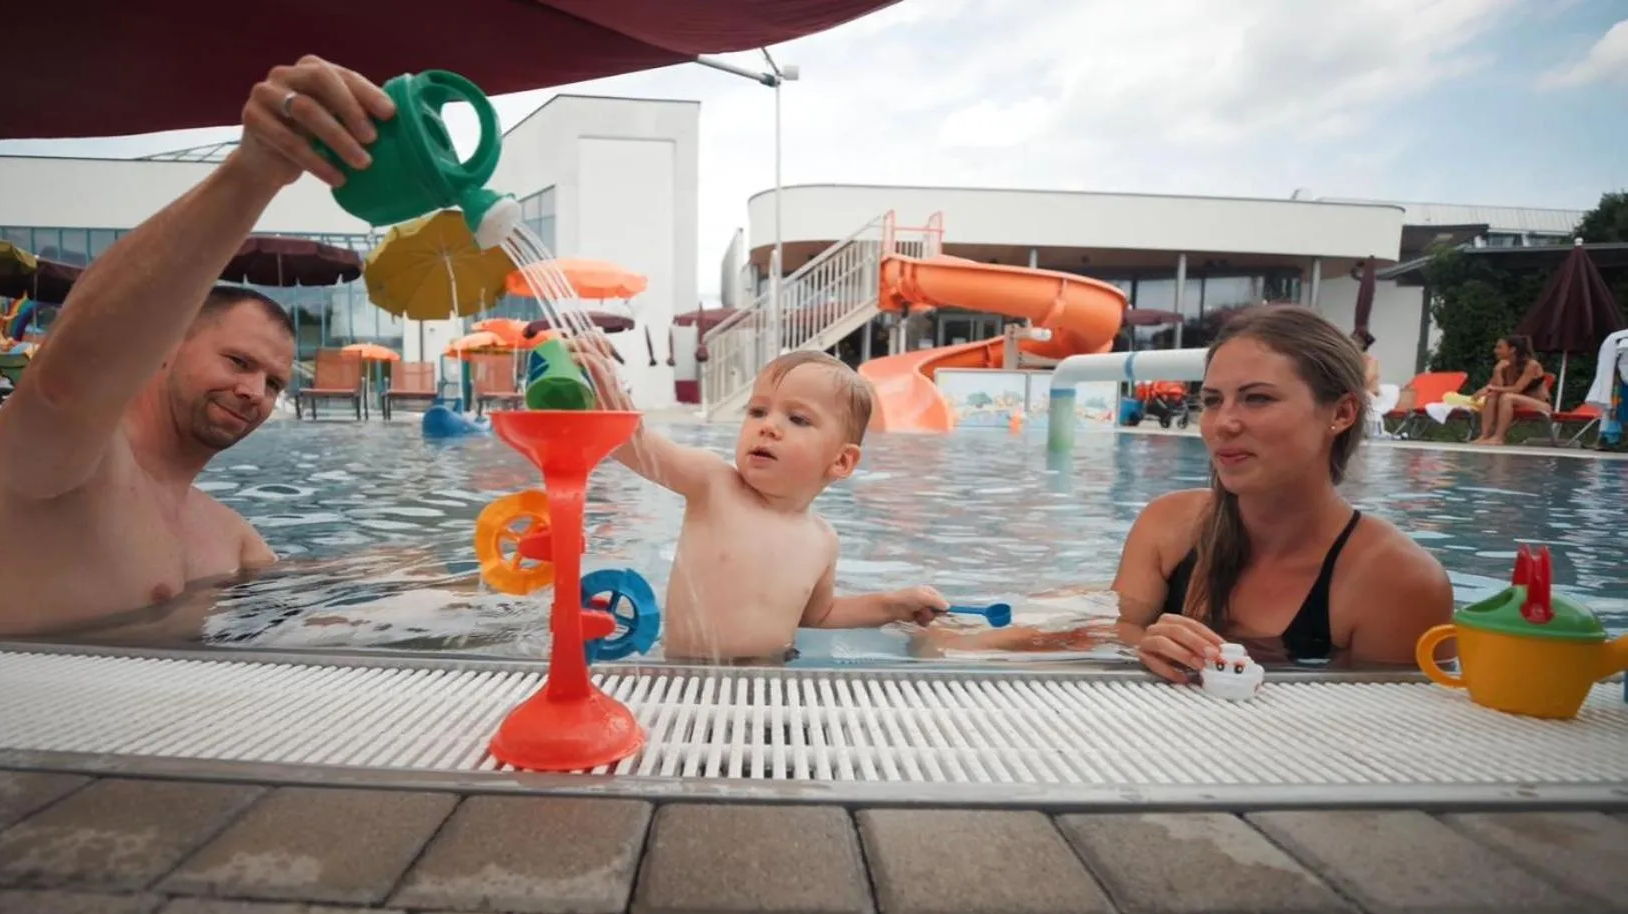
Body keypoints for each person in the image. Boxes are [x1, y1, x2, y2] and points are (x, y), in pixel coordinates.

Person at [0, 55, 395, 636]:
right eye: (238, 361)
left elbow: (306, 612)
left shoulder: (230, 537)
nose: (254, 391)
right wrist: (256, 170)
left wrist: (413, 576)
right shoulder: (61, 464)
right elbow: (72, 374)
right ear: (165, 345)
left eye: (273, 382)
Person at [916, 305, 1454, 681]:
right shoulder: (1170, 525)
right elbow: (1119, 627)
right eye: (1214, 400)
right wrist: (1141, 645)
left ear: (1340, 413)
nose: (1224, 424)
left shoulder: (1397, 582)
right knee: (936, 642)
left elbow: (1382, 732)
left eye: (1258, 399)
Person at [574, 339, 947, 663]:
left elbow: (818, 616)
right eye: (757, 411)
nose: (767, 425)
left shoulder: (822, 539)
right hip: (687, 674)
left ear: (841, 460)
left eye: (798, 419)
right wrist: (605, 390)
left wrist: (892, 605)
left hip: (773, 674)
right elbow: (635, 446)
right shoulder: (713, 485)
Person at [1472, 334, 1550, 446]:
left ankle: (1499, 438)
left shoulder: (1531, 365)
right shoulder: (1504, 365)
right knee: (1492, 396)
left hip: (1540, 404)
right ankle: (1485, 435)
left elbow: (1517, 389)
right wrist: (1497, 372)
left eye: (1499, 347)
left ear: (1512, 350)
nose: (1495, 351)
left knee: (1507, 397)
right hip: (1515, 402)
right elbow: (1496, 387)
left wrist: (1491, 388)